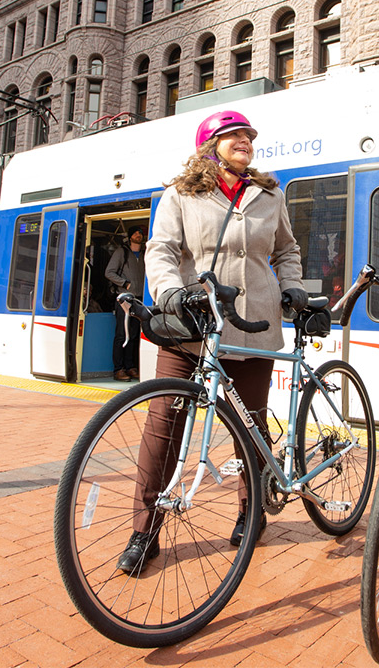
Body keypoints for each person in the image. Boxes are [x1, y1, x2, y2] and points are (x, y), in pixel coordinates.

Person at [115, 110, 307, 575]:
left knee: (251, 426)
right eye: (234, 135)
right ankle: (146, 528)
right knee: (164, 425)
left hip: (253, 325)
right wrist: (169, 293)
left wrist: (292, 285)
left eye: (249, 135)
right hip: (192, 326)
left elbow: (286, 249)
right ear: (210, 144)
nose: (245, 140)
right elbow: (161, 250)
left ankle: (252, 510)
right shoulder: (179, 194)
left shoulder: (269, 194)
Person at [105, 224, 146, 381]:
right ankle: (118, 369)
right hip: (124, 299)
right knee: (122, 335)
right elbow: (109, 272)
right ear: (130, 236)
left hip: (139, 300)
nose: (138, 235)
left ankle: (130, 367)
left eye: (140, 233)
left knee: (134, 335)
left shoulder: (144, 254)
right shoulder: (121, 252)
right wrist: (124, 283)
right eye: (135, 233)